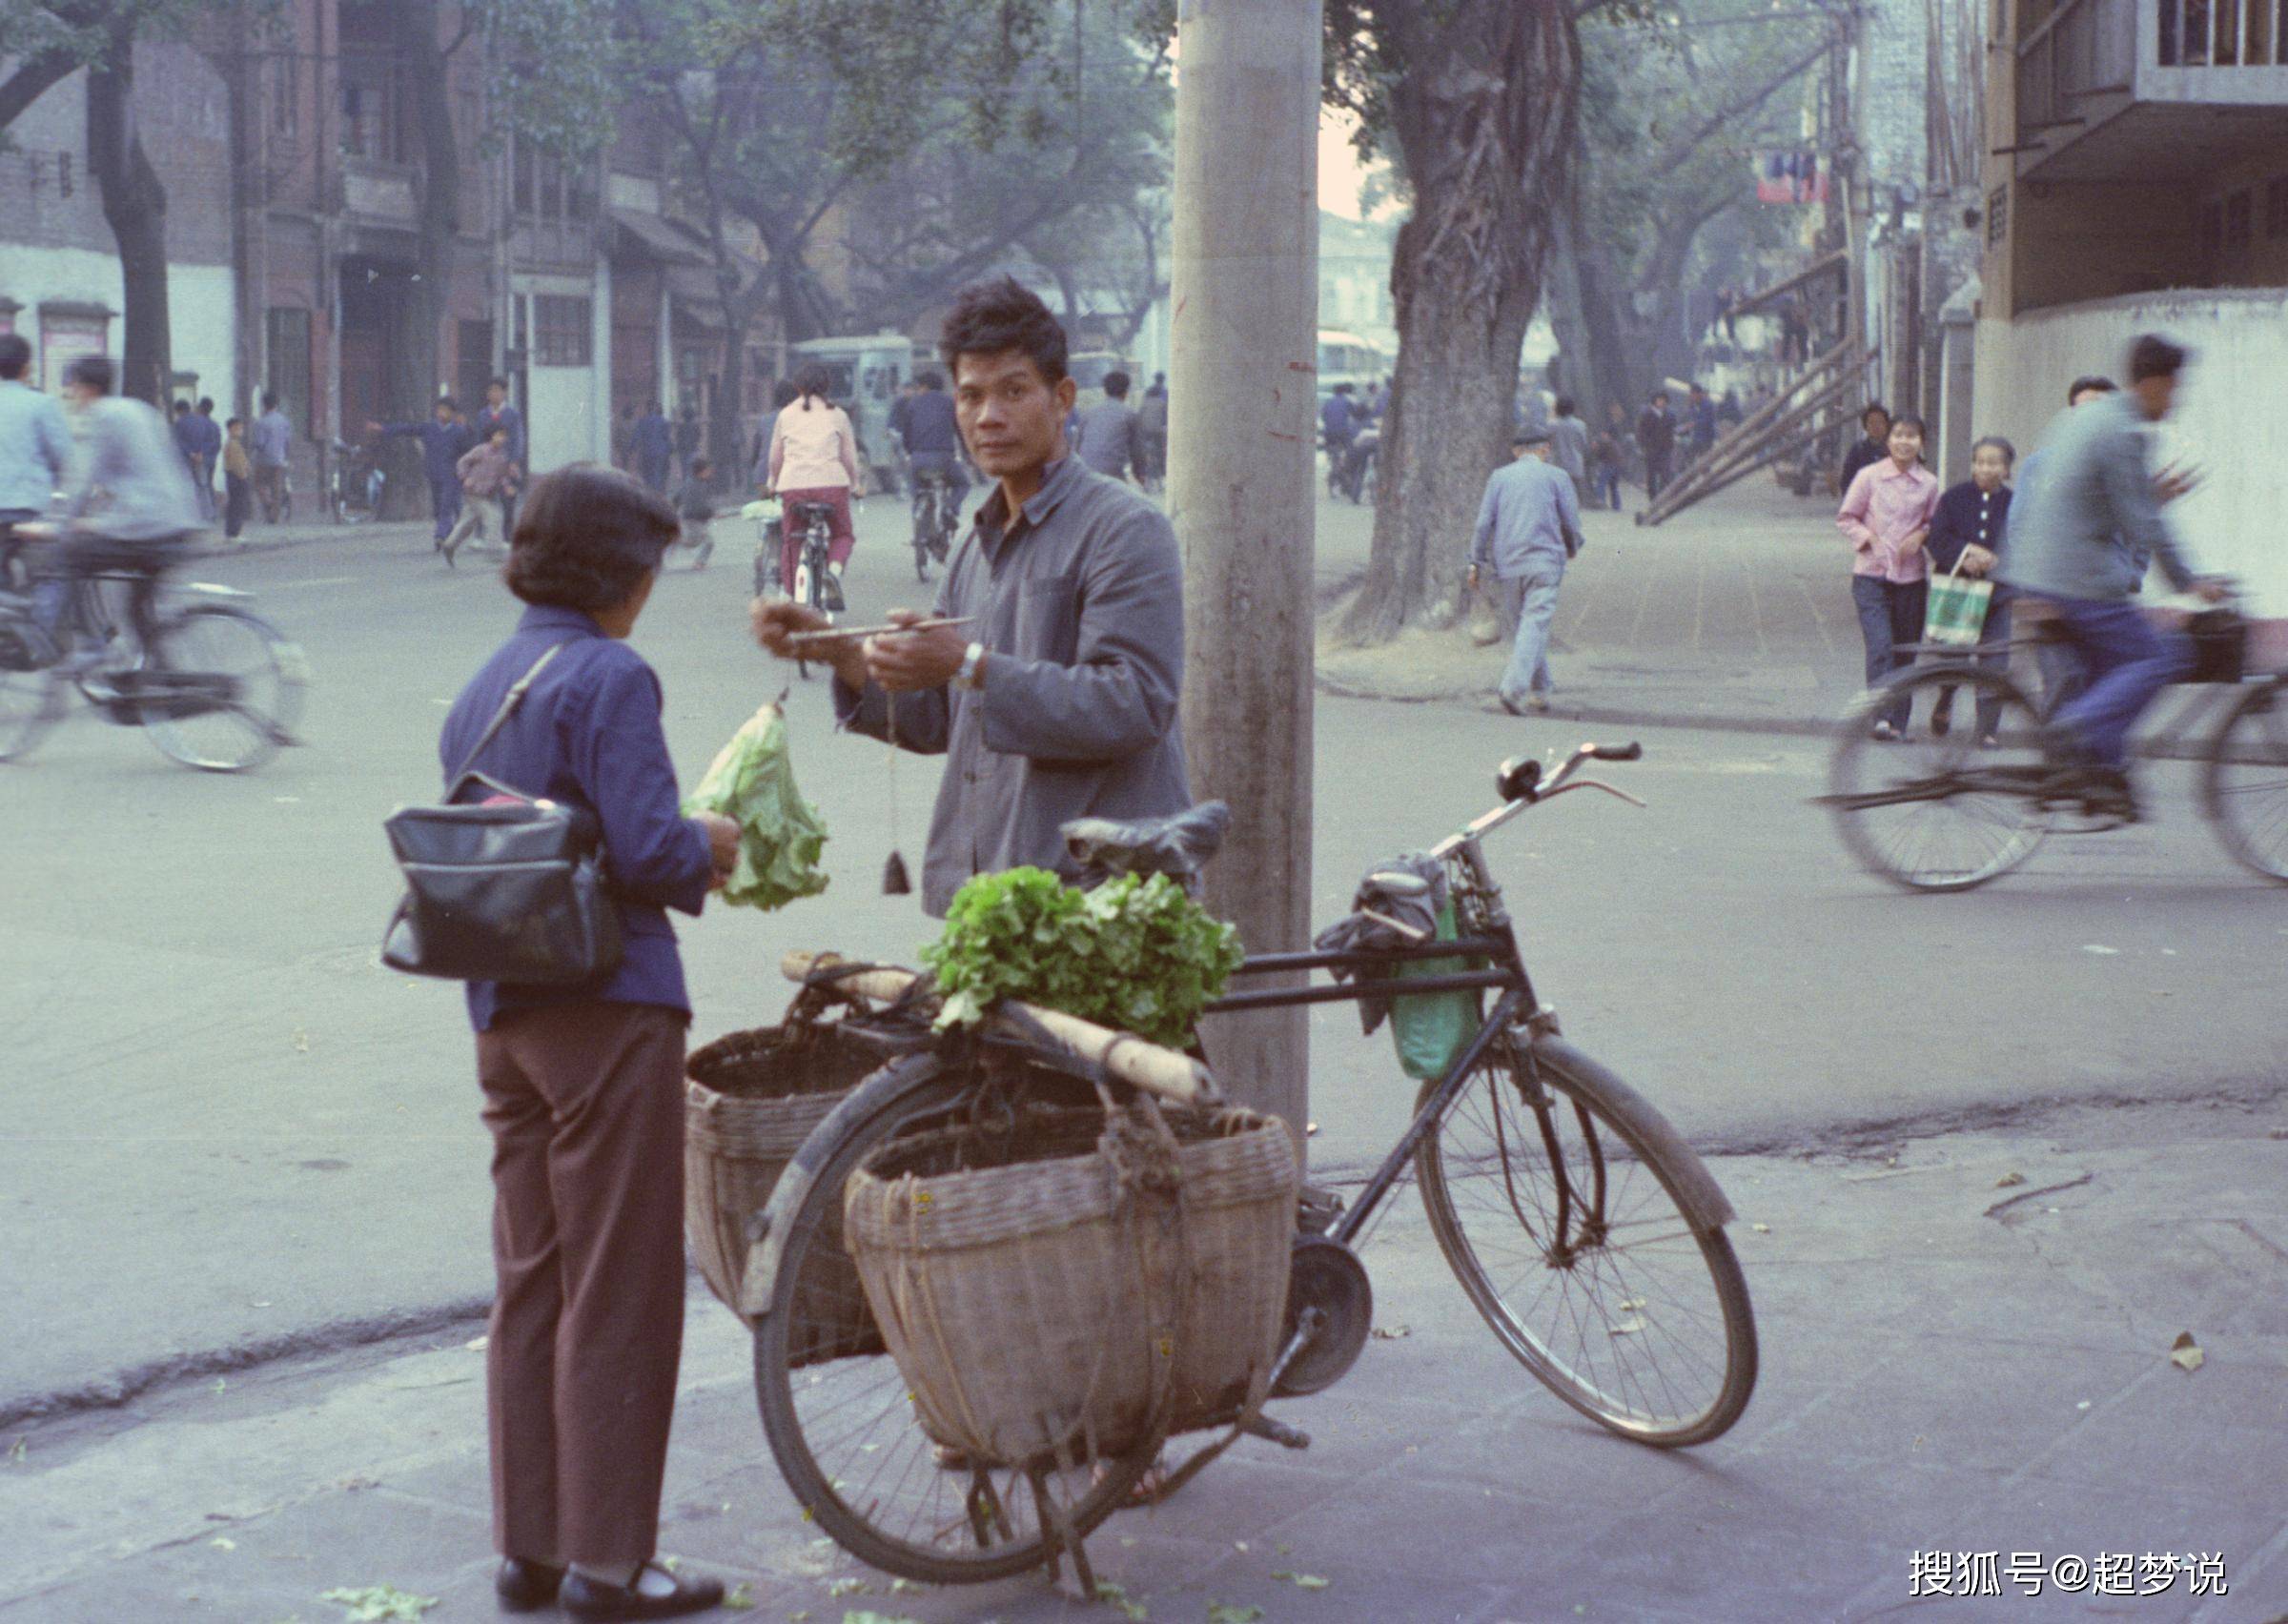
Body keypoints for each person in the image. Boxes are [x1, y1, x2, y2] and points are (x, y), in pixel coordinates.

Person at [440, 465, 739, 1624]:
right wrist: (710, 836)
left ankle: (531, 1549)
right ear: (623, 573)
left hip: (502, 1013)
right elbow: (654, 851)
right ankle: (614, 1566)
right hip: (607, 1005)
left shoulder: (487, 681)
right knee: (621, 1288)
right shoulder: (610, 673)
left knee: (533, 1278)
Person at [750, 274, 1192, 917]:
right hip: (993, 897)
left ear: (1062, 397)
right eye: (971, 395)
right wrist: (843, 652)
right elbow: (946, 721)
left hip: (1101, 901)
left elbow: (1135, 702)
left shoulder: (1124, 528)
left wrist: (966, 664)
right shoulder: (974, 543)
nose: (989, 416)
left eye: (1014, 392)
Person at [1998, 335, 2225, 819]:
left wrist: (2150, 498)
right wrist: (2192, 582)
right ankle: (2076, 729)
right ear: (2157, 383)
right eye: (2175, 388)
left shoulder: (2084, 418)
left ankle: (2100, 775)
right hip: (2077, 580)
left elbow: (2105, 501)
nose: (2177, 399)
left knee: (2112, 669)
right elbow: (2143, 523)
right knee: (2162, 655)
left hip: (2038, 570)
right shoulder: (2124, 432)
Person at [31, 357, 202, 665]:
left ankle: (90, 647)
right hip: (178, 520)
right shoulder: (138, 409)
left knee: (73, 554)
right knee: (137, 607)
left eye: (72, 387)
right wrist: (95, 519)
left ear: (89, 388)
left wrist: (55, 524)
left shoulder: (101, 416)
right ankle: (162, 673)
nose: (70, 395)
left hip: (145, 525)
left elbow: (78, 480)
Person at [2018, 375, 2120, 713]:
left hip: (2107, 596)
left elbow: (2135, 534)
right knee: (2063, 681)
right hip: (2054, 592)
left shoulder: (2120, 467)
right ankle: (2059, 760)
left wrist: (2130, 576)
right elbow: (2020, 523)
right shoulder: (2040, 466)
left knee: (2104, 688)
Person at [1837, 412, 1939, 741]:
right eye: (1898, 435)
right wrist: (1869, 539)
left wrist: (1921, 536)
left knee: (1905, 651)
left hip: (1910, 579)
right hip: (1871, 575)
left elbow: (1935, 522)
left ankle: (1899, 722)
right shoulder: (1869, 477)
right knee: (1880, 646)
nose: (1904, 442)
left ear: (1921, 442)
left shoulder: (1929, 483)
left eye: (1911, 436)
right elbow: (1846, 517)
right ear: (1887, 440)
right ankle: (1880, 717)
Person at [1467, 427, 1583, 716]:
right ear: (1544, 449)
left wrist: (1475, 561)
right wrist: (1573, 546)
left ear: (1515, 452)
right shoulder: (1558, 477)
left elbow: (1483, 524)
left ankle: (1541, 690)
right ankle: (1513, 688)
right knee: (1533, 625)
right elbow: (1570, 522)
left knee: (1527, 626)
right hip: (1545, 563)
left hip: (1508, 564)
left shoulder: (1499, 477)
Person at [1925, 436, 2017, 747]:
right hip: (1958, 591)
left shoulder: (2016, 504)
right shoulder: (1953, 498)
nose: (1985, 468)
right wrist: (1965, 554)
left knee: (1995, 662)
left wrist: (1995, 560)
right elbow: (1937, 539)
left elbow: (2022, 545)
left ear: (2006, 469)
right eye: (1980, 462)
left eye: (1993, 463)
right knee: (1954, 657)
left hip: (1997, 595)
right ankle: (1946, 697)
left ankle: (1987, 729)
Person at [766, 365, 860, 612]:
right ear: (827, 387)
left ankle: (788, 594)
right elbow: (849, 457)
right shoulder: (838, 414)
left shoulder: (785, 414)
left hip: (794, 487)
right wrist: (857, 484)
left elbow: (776, 457)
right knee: (842, 534)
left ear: (797, 387)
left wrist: (772, 482)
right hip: (832, 486)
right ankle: (832, 572)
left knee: (792, 539)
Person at [0, 333, 71, 588]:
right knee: (50, 574)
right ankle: (37, 624)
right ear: (26, 367)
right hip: (27, 506)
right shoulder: (42, 404)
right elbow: (64, 455)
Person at [373, 397, 474, 550]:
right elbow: (408, 429)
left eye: (446, 410)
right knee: (438, 507)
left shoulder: (459, 431)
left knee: (446, 507)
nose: (442, 413)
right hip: (433, 473)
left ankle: (440, 536)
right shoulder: (430, 428)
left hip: (452, 475)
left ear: (452, 414)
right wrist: (384, 429)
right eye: (440, 409)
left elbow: (468, 452)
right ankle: (449, 530)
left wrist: (467, 474)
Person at [441, 425, 519, 566]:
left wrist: (507, 487)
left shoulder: (502, 456)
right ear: (491, 436)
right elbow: (462, 462)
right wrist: (465, 478)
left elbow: (502, 476)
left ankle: (449, 545)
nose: (502, 439)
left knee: (466, 524)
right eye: (499, 435)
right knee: (494, 517)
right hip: (474, 492)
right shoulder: (481, 450)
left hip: (487, 494)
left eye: (504, 436)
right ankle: (493, 551)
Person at [898, 369, 970, 512]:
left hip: (917, 459)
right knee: (963, 484)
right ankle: (950, 507)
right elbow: (960, 431)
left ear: (925, 386)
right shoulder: (950, 402)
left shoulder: (912, 403)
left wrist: (909, 452)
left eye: (918, 387)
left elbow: (905, 433)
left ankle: (918, 508)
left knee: (915, 488)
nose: (917, 390)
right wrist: (967, 453)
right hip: (944, 458)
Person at [1072, 368, 1148, 483]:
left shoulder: (1088, 413)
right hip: (1112, 475)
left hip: (1084, 475)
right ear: (1125, 393)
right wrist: (1140, 474)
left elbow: (1076, 447)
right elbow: (1137, 451)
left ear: (1105, 391)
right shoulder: (1130, 415)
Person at [474, 378, 526, 536]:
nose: (494, 394)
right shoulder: (482, 415)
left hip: (506, 463)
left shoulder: (512, 414)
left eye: (497, 390)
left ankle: (507, 536)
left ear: (505, 393)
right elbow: (478, 439)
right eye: (491, 391)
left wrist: (514, 462)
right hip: (487, 464)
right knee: (482, 499)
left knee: (508, 501)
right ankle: (480, 536)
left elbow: (518, 439)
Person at [749, 380, 799, 494]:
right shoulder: (800, 421)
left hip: (763, 477)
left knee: (768, 508)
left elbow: (755, 454)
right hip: (790, 479)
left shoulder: (764, 420)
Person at [253, 391, 294, 523]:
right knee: (276, 488)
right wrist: (287, 457)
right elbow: (288, 442)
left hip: (264, 460)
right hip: (279, 459)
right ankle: (274, 517)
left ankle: (268, 503)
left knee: (258, 484)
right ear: (276, 404)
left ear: (264, 405)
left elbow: (259, 443)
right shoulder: (284, 421)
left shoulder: (261, 422)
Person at [1837, 403, 1891, 497]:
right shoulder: (1858, 450)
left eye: (1880, 422)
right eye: (1872, 422)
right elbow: (1846, 480)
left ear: (1887, 425)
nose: (1876, 426)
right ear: (1865, 426)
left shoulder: (1896, 450)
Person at [673, 456, 717, 569]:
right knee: (708, 542)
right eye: (708, 470)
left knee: (690, 541)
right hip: (694, 521)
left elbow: (676, 498)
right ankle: (699, 563)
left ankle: (673, 540)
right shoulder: (698, 486)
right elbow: (699, 506)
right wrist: (711, 513)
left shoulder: (688, 482)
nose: (710, 472)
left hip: (687, 519)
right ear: (701, 472)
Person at [1546, 396, 1589, 506]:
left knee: (1557, 494)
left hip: (1556, 463)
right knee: (1574, 494)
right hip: (1575, 463)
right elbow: (1583, 445)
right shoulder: (1580, 425)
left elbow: (1547, 443)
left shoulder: (1551, 425)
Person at [1636, 391, 1676, 501]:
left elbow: (1671, 431)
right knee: (1651, 474)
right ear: (1654, 401)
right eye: (1659, 400)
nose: (1661, 402)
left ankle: (1662, 495)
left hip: (1665, 448)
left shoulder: (1669, 415)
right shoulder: (1647, 414)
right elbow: (1641, 432)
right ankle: (1653, 497)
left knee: (1665, 473)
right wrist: (1644, 445)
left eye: (1664, 400)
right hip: (1651, 449)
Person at [1590, 402, 1627, 512]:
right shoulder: (1619, 427)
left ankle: (1600, 500)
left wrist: (1595, 447)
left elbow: (1600, 451)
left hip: (1610, 462)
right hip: (1618, 461)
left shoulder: (1607, 440)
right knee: (1614, 485)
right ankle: (1617, 505)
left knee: (1602, 481)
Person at [221, 416, 255, 542]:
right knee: (237, 505)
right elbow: (237, 464)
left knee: (234, 505)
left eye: (241, 428)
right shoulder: (233, 444)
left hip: (233, 477)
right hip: (237, 478)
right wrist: (244, 475)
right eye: (237, 428)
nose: (240, 430)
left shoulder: (232, 443)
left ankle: (231, 533)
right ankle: (234, 533)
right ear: (230, 429)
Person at [1319, 384, 1358, 489]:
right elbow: (1355, 414)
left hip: (1329, 434)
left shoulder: (1328, 402)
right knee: (1349, 451)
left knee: (1333, 455)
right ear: (1344, 392)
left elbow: (1323, 416)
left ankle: (1333, 463)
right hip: (1343, 433)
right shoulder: (1347, 401)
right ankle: (1344, 467)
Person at [1136, 373, 1168, 490]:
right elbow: (1166, 417)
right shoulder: (1163, 400)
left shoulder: (1145, 402)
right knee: (1160, 452)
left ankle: (1145, 477)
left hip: (1145, 432)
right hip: (1158, 432)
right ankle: (1161, 474)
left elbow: (1139, 416)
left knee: (1145, 454)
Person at [632, 402, 673, 494]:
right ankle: (656, 495)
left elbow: (636, 437)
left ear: (648, 410)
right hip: (661, 452)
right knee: (657, 473)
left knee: (647, 474)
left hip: (647, 452)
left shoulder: (642, 421)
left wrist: (632, 448)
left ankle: (649, 493)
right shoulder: (664, 422)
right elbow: (667, 438)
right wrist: (670, 449)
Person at [1685, 382, 1718, 465]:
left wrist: (1694, 423)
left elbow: (1706, 420)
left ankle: (1708, 477)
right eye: (1691, 394)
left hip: (1706, 437)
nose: (1691, 396)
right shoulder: (1693, 404)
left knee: (1705, 462)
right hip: (1696, 437)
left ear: (1699, 394)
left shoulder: (1708, 405)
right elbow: (1691, 416)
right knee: (1689, 457)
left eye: (1693, 394)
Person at [673, 404, 701, 483]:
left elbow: (678, 438)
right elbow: (699, 437)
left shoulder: (681, 427)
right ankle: (691, 484)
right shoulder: (695, 426)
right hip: (693, 449)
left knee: (684, 469)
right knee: (691, 469)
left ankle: (686, 485)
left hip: (683, 450)